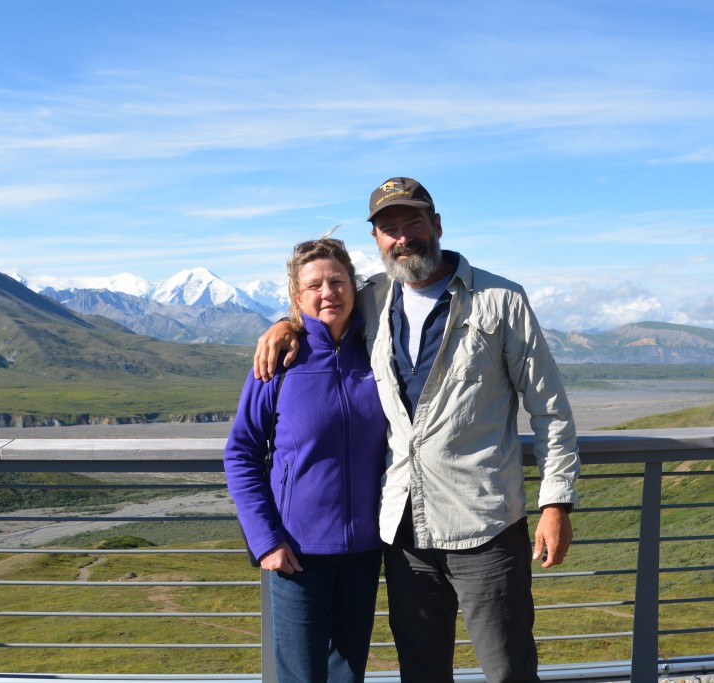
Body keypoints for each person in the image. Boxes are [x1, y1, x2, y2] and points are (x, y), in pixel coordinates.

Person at [254, 177, 580, 683]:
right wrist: (285, 325)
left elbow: (551, 411)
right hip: (405, 534)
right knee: (422, 672)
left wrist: (555, 504)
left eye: (413, 223)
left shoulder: (500, 300)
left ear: (438, 225)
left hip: (485, 527)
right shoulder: (373, 298)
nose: (402, 237)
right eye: (389, 229)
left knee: (509, 669)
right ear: (378, 242)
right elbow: (322, 304)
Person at [224, 235, 387, 683]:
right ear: (297, 297)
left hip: (366, 550)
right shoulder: (279, 360)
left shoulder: (380, 350)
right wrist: (266, 540)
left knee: (348, 674)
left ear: (354, 286)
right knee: (300, 676)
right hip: (296, 551)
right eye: (313, 285)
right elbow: (241, 453)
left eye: (336, 281)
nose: (327, 292)